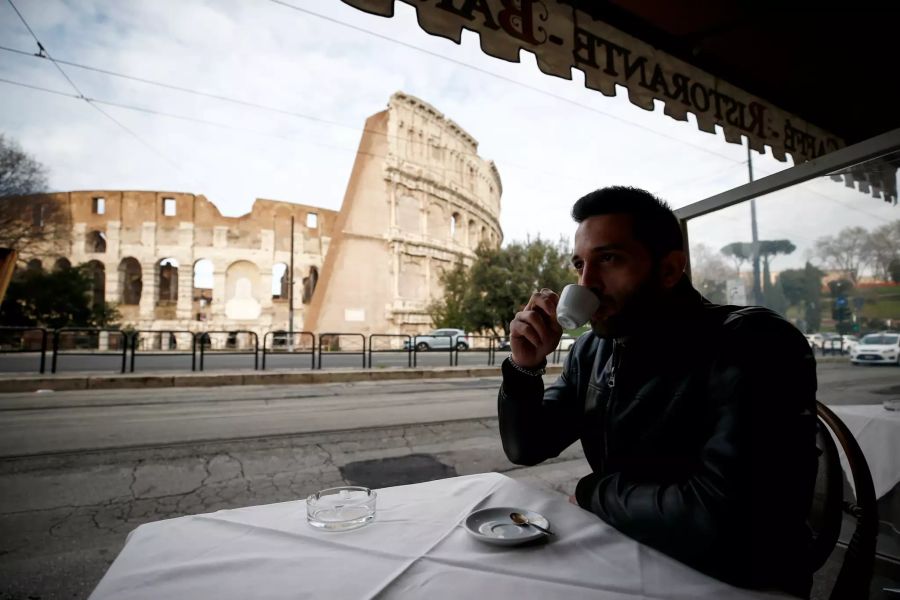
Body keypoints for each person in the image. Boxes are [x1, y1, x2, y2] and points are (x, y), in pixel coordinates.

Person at [499, 186, 817, 597]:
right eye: (580, 264)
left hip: (734, 578)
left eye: (608, 259)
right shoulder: (592, 348)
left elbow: (724, 514)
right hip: (626, 551)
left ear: (669, 270)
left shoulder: (755, 342)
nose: (586, 283)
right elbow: (527, 446)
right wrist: (525, 368)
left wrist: (593, 492)